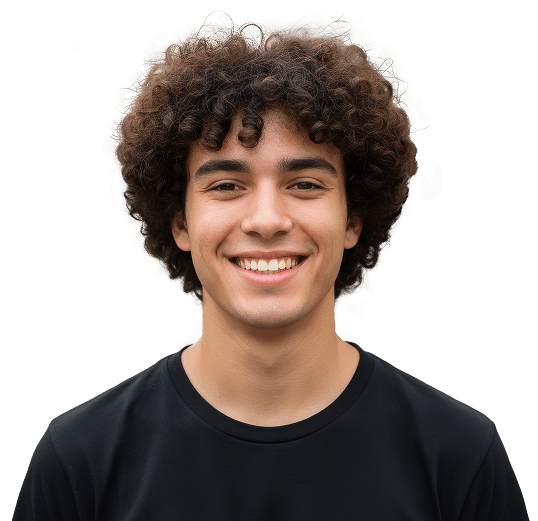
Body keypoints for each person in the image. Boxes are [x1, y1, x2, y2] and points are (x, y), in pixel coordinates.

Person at [13, 10, 528, 520]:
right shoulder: (79, 461)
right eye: (227, 185)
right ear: (180, 223)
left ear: (353, 219)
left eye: (304, 184)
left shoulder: (460, 457)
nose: (266, 220)